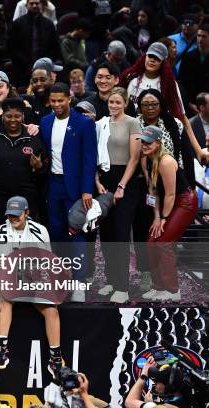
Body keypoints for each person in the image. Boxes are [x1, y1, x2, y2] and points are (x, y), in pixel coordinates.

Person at [0, 197, 63, 375]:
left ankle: (55, 358)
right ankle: (1, 350)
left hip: (35, 277)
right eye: (10, 215)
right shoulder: (1, 231)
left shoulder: (40, 231)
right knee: (5, 297)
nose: (13, 218)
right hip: (11, 277)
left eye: (17, 215)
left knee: (52, 310)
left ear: (27, 213)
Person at [40, 82, 97, 302]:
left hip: (76, 187)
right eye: (53, 101)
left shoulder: (83, 123)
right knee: (56, 233)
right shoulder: (45, 122)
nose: (56, 105)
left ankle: (80, 283)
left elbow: (89, 159)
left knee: (76, 232)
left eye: (60, 100)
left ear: (69, 99)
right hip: (53, 185)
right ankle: (62, 280)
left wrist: (86, 190)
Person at [121, 41, 209, 165]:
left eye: (157, 58)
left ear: (164, 62)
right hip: (132, 138)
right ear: (145, 56)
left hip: (159, 141)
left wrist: (198, 150)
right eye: (150, 56)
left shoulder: (169, 84)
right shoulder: (131, 79)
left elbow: (182, 117)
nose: (152, 60)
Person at [95, 87, 142, 304]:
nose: (113, 106)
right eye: (111, 102)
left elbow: (134, 158)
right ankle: (112, 281)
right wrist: (96, 181)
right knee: (105, 235)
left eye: (117, 102)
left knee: (121, 233)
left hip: (126, 180)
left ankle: (123, 286)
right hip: (104, 179)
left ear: (125, 103)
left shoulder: (133, 123)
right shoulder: (101, 123)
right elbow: (95, 154)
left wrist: (122, 184)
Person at [140, 126, 198, 302]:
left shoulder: (166, 161)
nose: (144, 145)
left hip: (184, 202)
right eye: (142, 141)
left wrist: (164, 219)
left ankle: (173, 290)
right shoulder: (146, 159)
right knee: (151, 243)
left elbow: (171, 194)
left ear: (158, 143)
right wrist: (157, 217)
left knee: (164, 243)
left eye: (148, 142)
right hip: (166, 204)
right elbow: (152, 191)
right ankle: (158, 287)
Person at [0, 98, 46, 239]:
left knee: (24, 237)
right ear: (3, 116)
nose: (13, 120)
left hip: (25, 197)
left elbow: (44, 170)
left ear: (23, 116)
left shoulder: (33, 138)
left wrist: (40, 166)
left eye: (17, 116)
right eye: (9, 116)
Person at [8, 0, 60, 85]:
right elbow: (12, 47)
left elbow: (54, 47)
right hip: (22, 67)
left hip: (44, 67)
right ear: (26, 5)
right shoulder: (17, 24)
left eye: (37, 3)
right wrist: (25, 64)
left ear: (41, 5)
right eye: (32, 3)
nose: (34, 5)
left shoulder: (49, 24)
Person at [178, 24, 209, 113]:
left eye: (204, 36)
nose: (200, 39)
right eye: (198, 36)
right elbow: (182, 82)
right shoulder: (188, 57)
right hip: (190, 103)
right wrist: (188, 103)